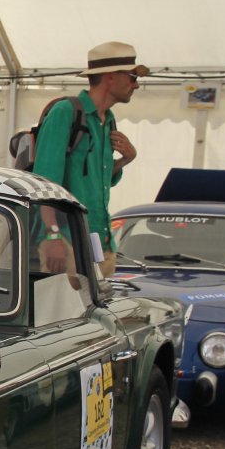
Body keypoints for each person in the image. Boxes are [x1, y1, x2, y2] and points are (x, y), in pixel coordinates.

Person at [34, 41, 144, 279]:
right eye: (132, 76)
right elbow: (44, 182)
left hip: (101, 243)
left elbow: (98, 179)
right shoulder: (65, 112)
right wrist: (52, 235)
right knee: (63, 304)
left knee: (95, 305)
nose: (136, 84)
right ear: (110, 77)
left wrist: (126, 159)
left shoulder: (108, 119)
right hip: (67, 241)